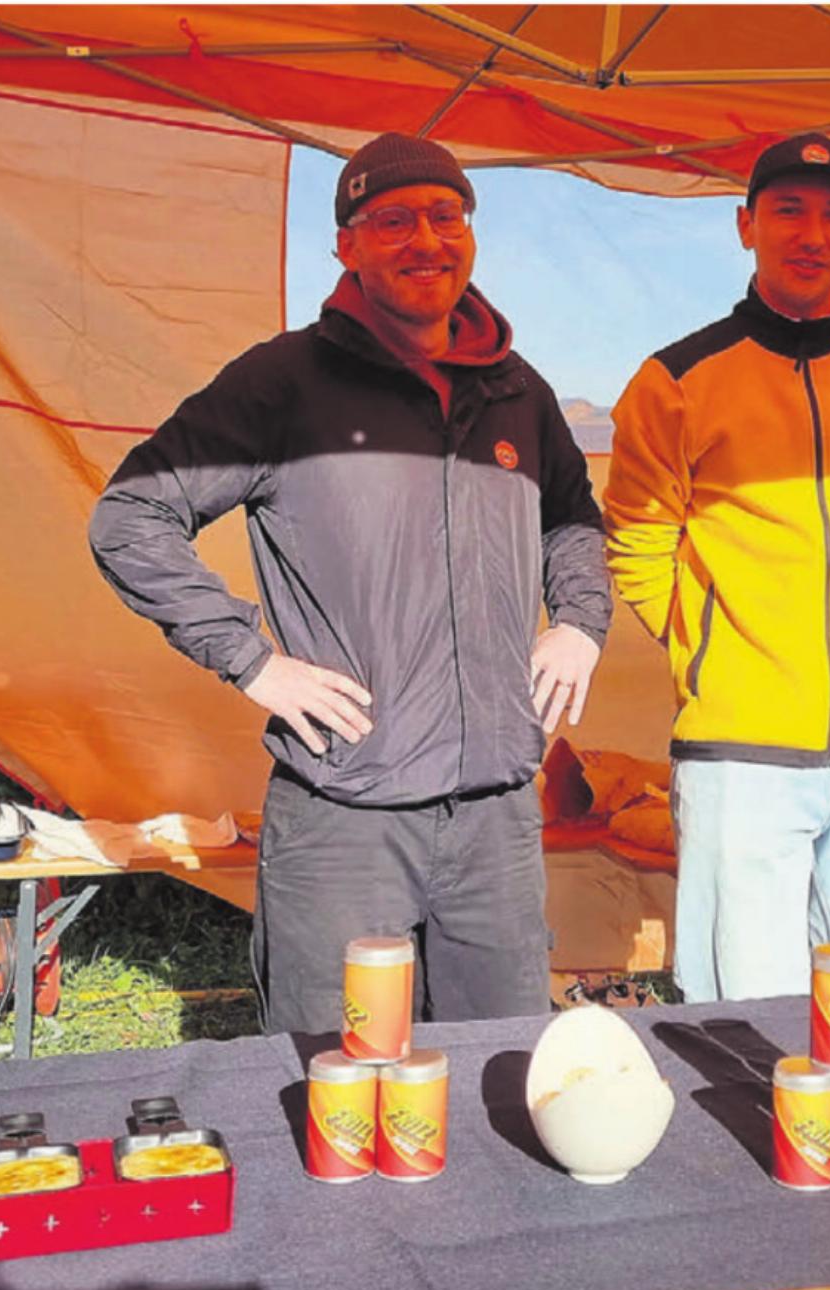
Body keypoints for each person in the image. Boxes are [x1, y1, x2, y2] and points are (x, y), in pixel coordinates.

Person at [90, 133, 611, 1032]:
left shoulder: (515, 389)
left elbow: (572, 518)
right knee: (341, 1081)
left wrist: (580, 621)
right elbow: (131, 516)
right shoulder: (282, 384)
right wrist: (253, 661)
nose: (426, 240)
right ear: (347, 245)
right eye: (394, 220)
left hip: (495, 818)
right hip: (345, 815)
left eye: (446, 216)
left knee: (506, 1068)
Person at [604, 133, 830, 1002]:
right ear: (746, 226)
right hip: (743, 749)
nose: (812, 232)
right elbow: (638, 537)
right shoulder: (677, 380)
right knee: (743, 1003)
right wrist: (709, 641)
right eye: (789, 211)